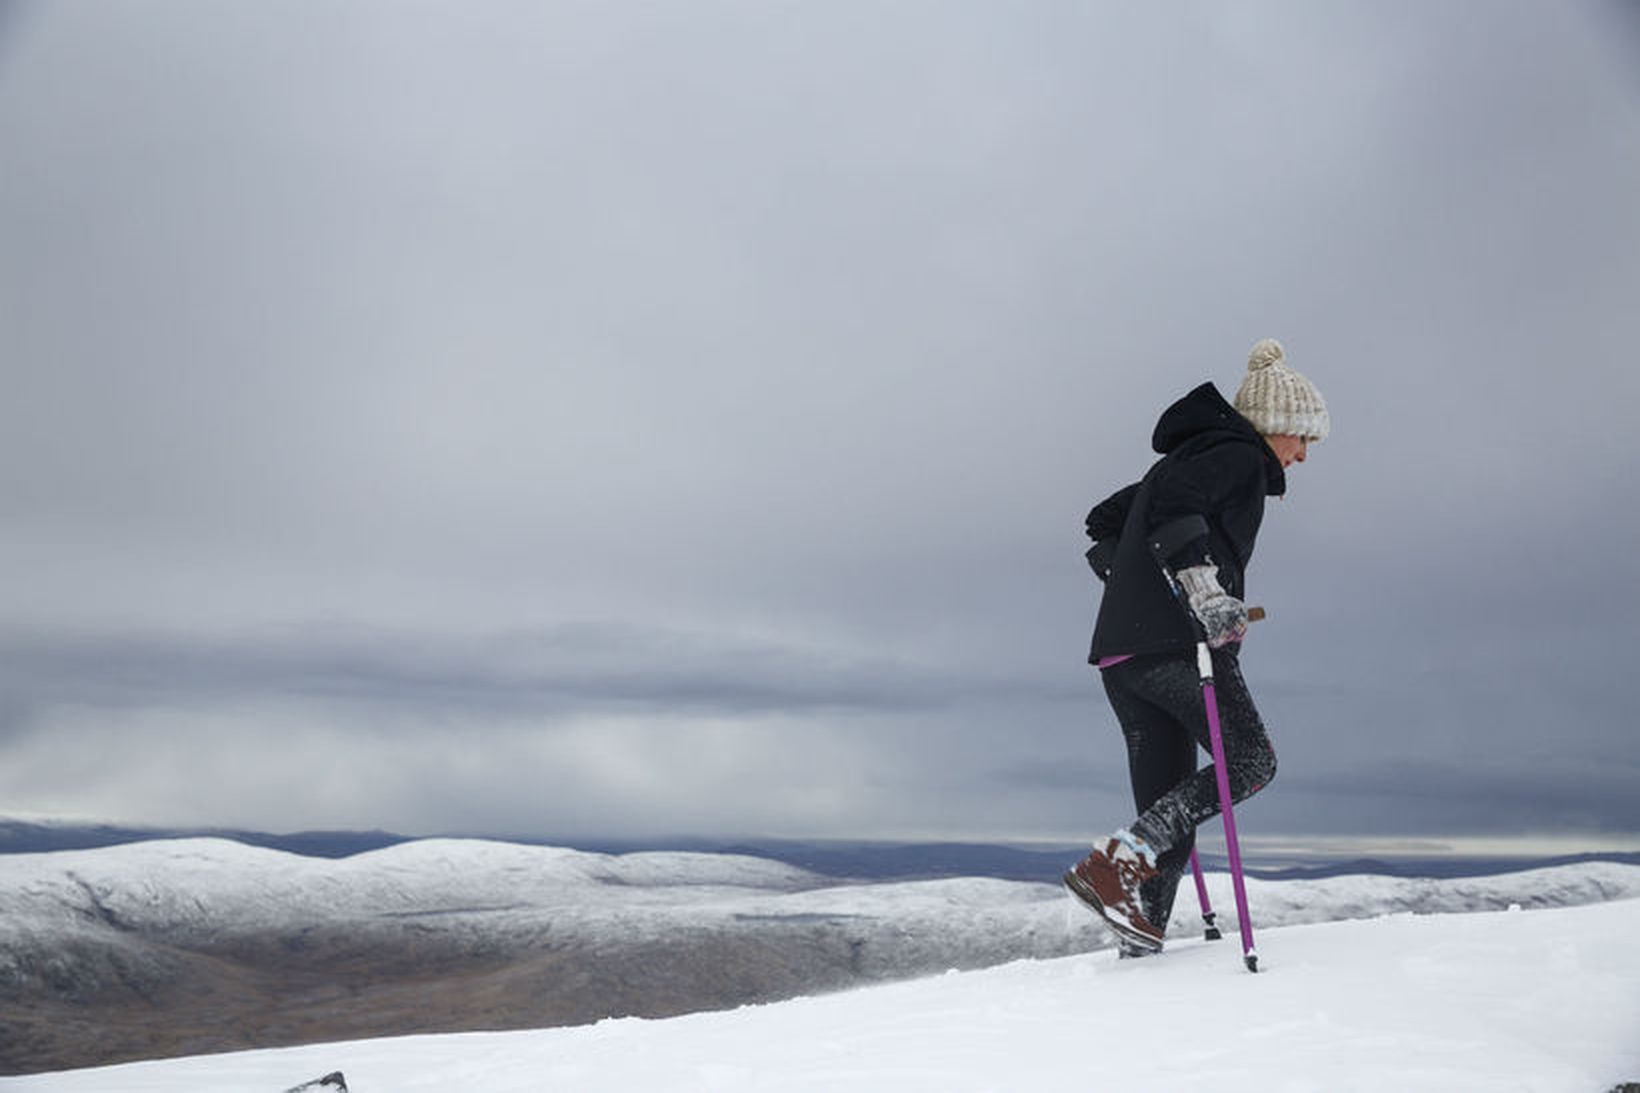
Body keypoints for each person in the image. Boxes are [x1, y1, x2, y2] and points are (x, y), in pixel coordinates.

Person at [1063, 338, 1329, 954]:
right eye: (1303, 438)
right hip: (1178, 651)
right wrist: (1202, 592)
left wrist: (1134, 583)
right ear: (1276, 424)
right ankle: (1121, 859)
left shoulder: (1181, 462)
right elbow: (1177, 513)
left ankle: (1139, 931)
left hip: (1121, 659)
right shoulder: (1234, 454)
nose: (1303, 456)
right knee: (1251, 761)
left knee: (1171, 804)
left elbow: (1105, 519)